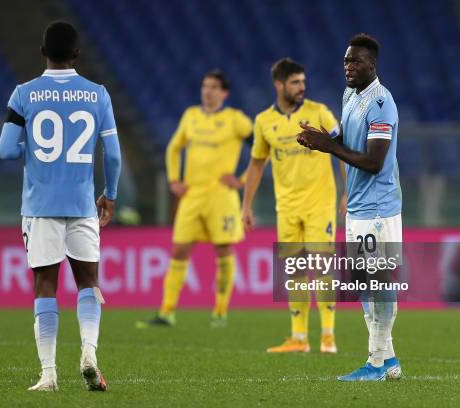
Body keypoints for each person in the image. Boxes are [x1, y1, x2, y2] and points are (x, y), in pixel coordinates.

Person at [0, 21, 121, 391]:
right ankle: (89, 352)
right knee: (88, 282)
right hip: (83, 205)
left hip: (39, 206)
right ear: (77, 54)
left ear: (42, 53)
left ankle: (48, 374)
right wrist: (109, 195)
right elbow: (112, 153)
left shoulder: (24, 94)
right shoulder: (98, 94)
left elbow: (5, 150)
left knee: (45, 285)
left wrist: (31, 151)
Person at [297, 33, 403, 381]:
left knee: (379, 280)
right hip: (358, 208)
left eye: (355, 61)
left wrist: (327, 147)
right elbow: (345, 137)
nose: (348, 66)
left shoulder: (381, 104)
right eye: (345, 60)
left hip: (377, 208)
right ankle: (388, 361)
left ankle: (374, 362)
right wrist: (322, 138)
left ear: (372, 64)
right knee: (363, 282)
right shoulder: (350, 95)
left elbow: (373, 161)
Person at [242, 58, 346, 354]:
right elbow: (257, 163)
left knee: (322, 265)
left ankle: (328, 336)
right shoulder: (263, 121)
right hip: (286, 206)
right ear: (279, 85)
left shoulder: (319, 112)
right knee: (295, 270)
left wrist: (346, 192)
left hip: (319, 202)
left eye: (303, 81)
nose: (302, 87)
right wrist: (246, 205)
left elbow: (342, 148)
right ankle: (299, 337)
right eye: (295, 82)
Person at [137, 70, 252, 329]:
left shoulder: (235, 120)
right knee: (179, 249)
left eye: (213, 87)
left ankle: (220, 312)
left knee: (223, 250)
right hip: (192, 195)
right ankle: (166, 312)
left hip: (221, 197)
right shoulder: (191, 116)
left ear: (224, 93)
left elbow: (260, 147)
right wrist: (173, 180)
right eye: (204, 86)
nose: (207, 91)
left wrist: (242, 179)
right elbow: (174, 147)